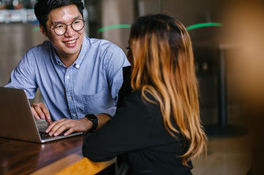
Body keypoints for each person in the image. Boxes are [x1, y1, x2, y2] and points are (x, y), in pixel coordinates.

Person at [82, 14, 207, 174]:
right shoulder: (177, 95)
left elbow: (94, 148)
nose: (127, 58)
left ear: (145, 57)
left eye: (130, 50)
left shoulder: (145, 102)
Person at [6, 0, 130, 136]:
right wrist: (26, 109)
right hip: (60, 147)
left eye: (76, 22)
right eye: (59, 26)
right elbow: (7, 103)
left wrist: (87, 122)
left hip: (105, 144)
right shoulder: (34, 58)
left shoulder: (109, 55)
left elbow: (131, 109)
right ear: (43, 30)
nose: (70, 33)